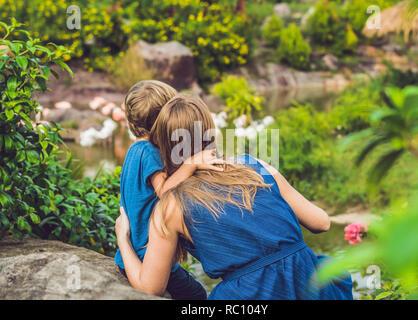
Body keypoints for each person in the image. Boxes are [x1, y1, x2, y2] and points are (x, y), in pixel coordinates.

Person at [115, 93, 353, 300]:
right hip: (310, 285)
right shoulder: (255, 167)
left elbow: (150, 287)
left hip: (252, 293)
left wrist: (123, 239)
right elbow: (322, 222)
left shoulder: (171, 206)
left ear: (163, 146)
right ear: (211, 131)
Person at [116, 81, 223, 300]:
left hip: (134, 252)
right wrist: (191, 164)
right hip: (148, 255)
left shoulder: (134, 151)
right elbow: (164, 191)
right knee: (197, 294)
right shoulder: (149, 152)